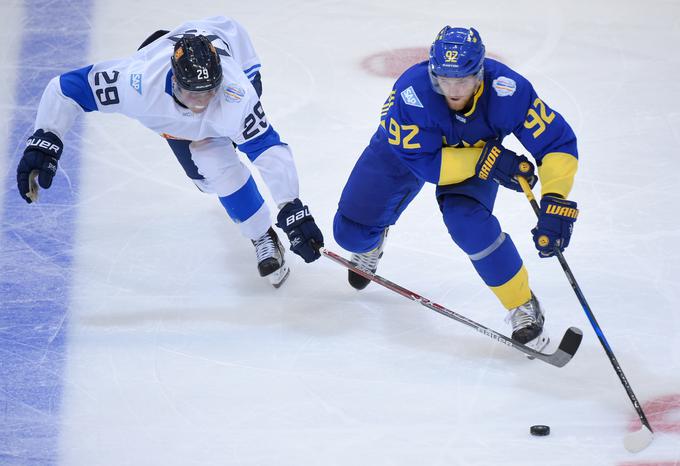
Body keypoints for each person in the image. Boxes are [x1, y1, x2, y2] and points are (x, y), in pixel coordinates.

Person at [16, 16, 324, 288]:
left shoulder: (235, 92)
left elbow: (266, 147)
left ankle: (261, 235)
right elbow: (66, 89)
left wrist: (291, 206)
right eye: (192, 94)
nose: (202, 104)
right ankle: (256, 224)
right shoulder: (135, 84)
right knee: (208, 176)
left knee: (215, 158)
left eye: (209, 92)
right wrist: (46, 135)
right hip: (172, 109)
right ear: (173, 80)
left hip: (237, 53)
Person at [334, 26, 580, 351]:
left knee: (469, 225)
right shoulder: (411, 92)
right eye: (443, 80)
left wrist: (555, 198)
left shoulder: (508, 90)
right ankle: (370, 242)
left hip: (476, 156)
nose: (452, 90)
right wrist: (486, 161)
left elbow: (556, 142)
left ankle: (522, 305)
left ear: (480, 73)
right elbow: (425, 164)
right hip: (405, 153)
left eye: (462, 80)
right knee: (348, 233)